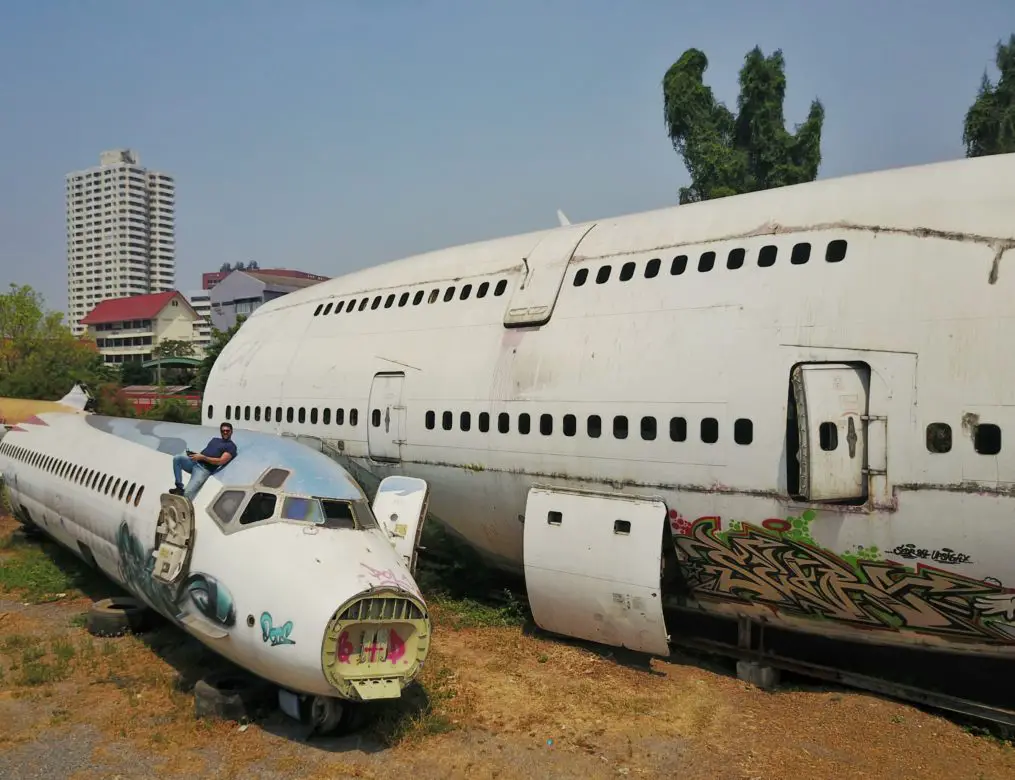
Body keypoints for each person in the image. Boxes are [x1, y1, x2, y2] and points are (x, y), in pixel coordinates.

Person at [169, 422, 238, 499]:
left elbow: (221, 461)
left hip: (203, 470)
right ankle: (179, 487)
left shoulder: (231, 446)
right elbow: (207, 451)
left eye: (227, 431)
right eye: (223, 431)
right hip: (195, 462)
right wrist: (196, 454)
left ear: (231, 431)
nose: (225, 432)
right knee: (177, 458)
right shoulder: (214, 440)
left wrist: (203, 457)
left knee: (187, 494)